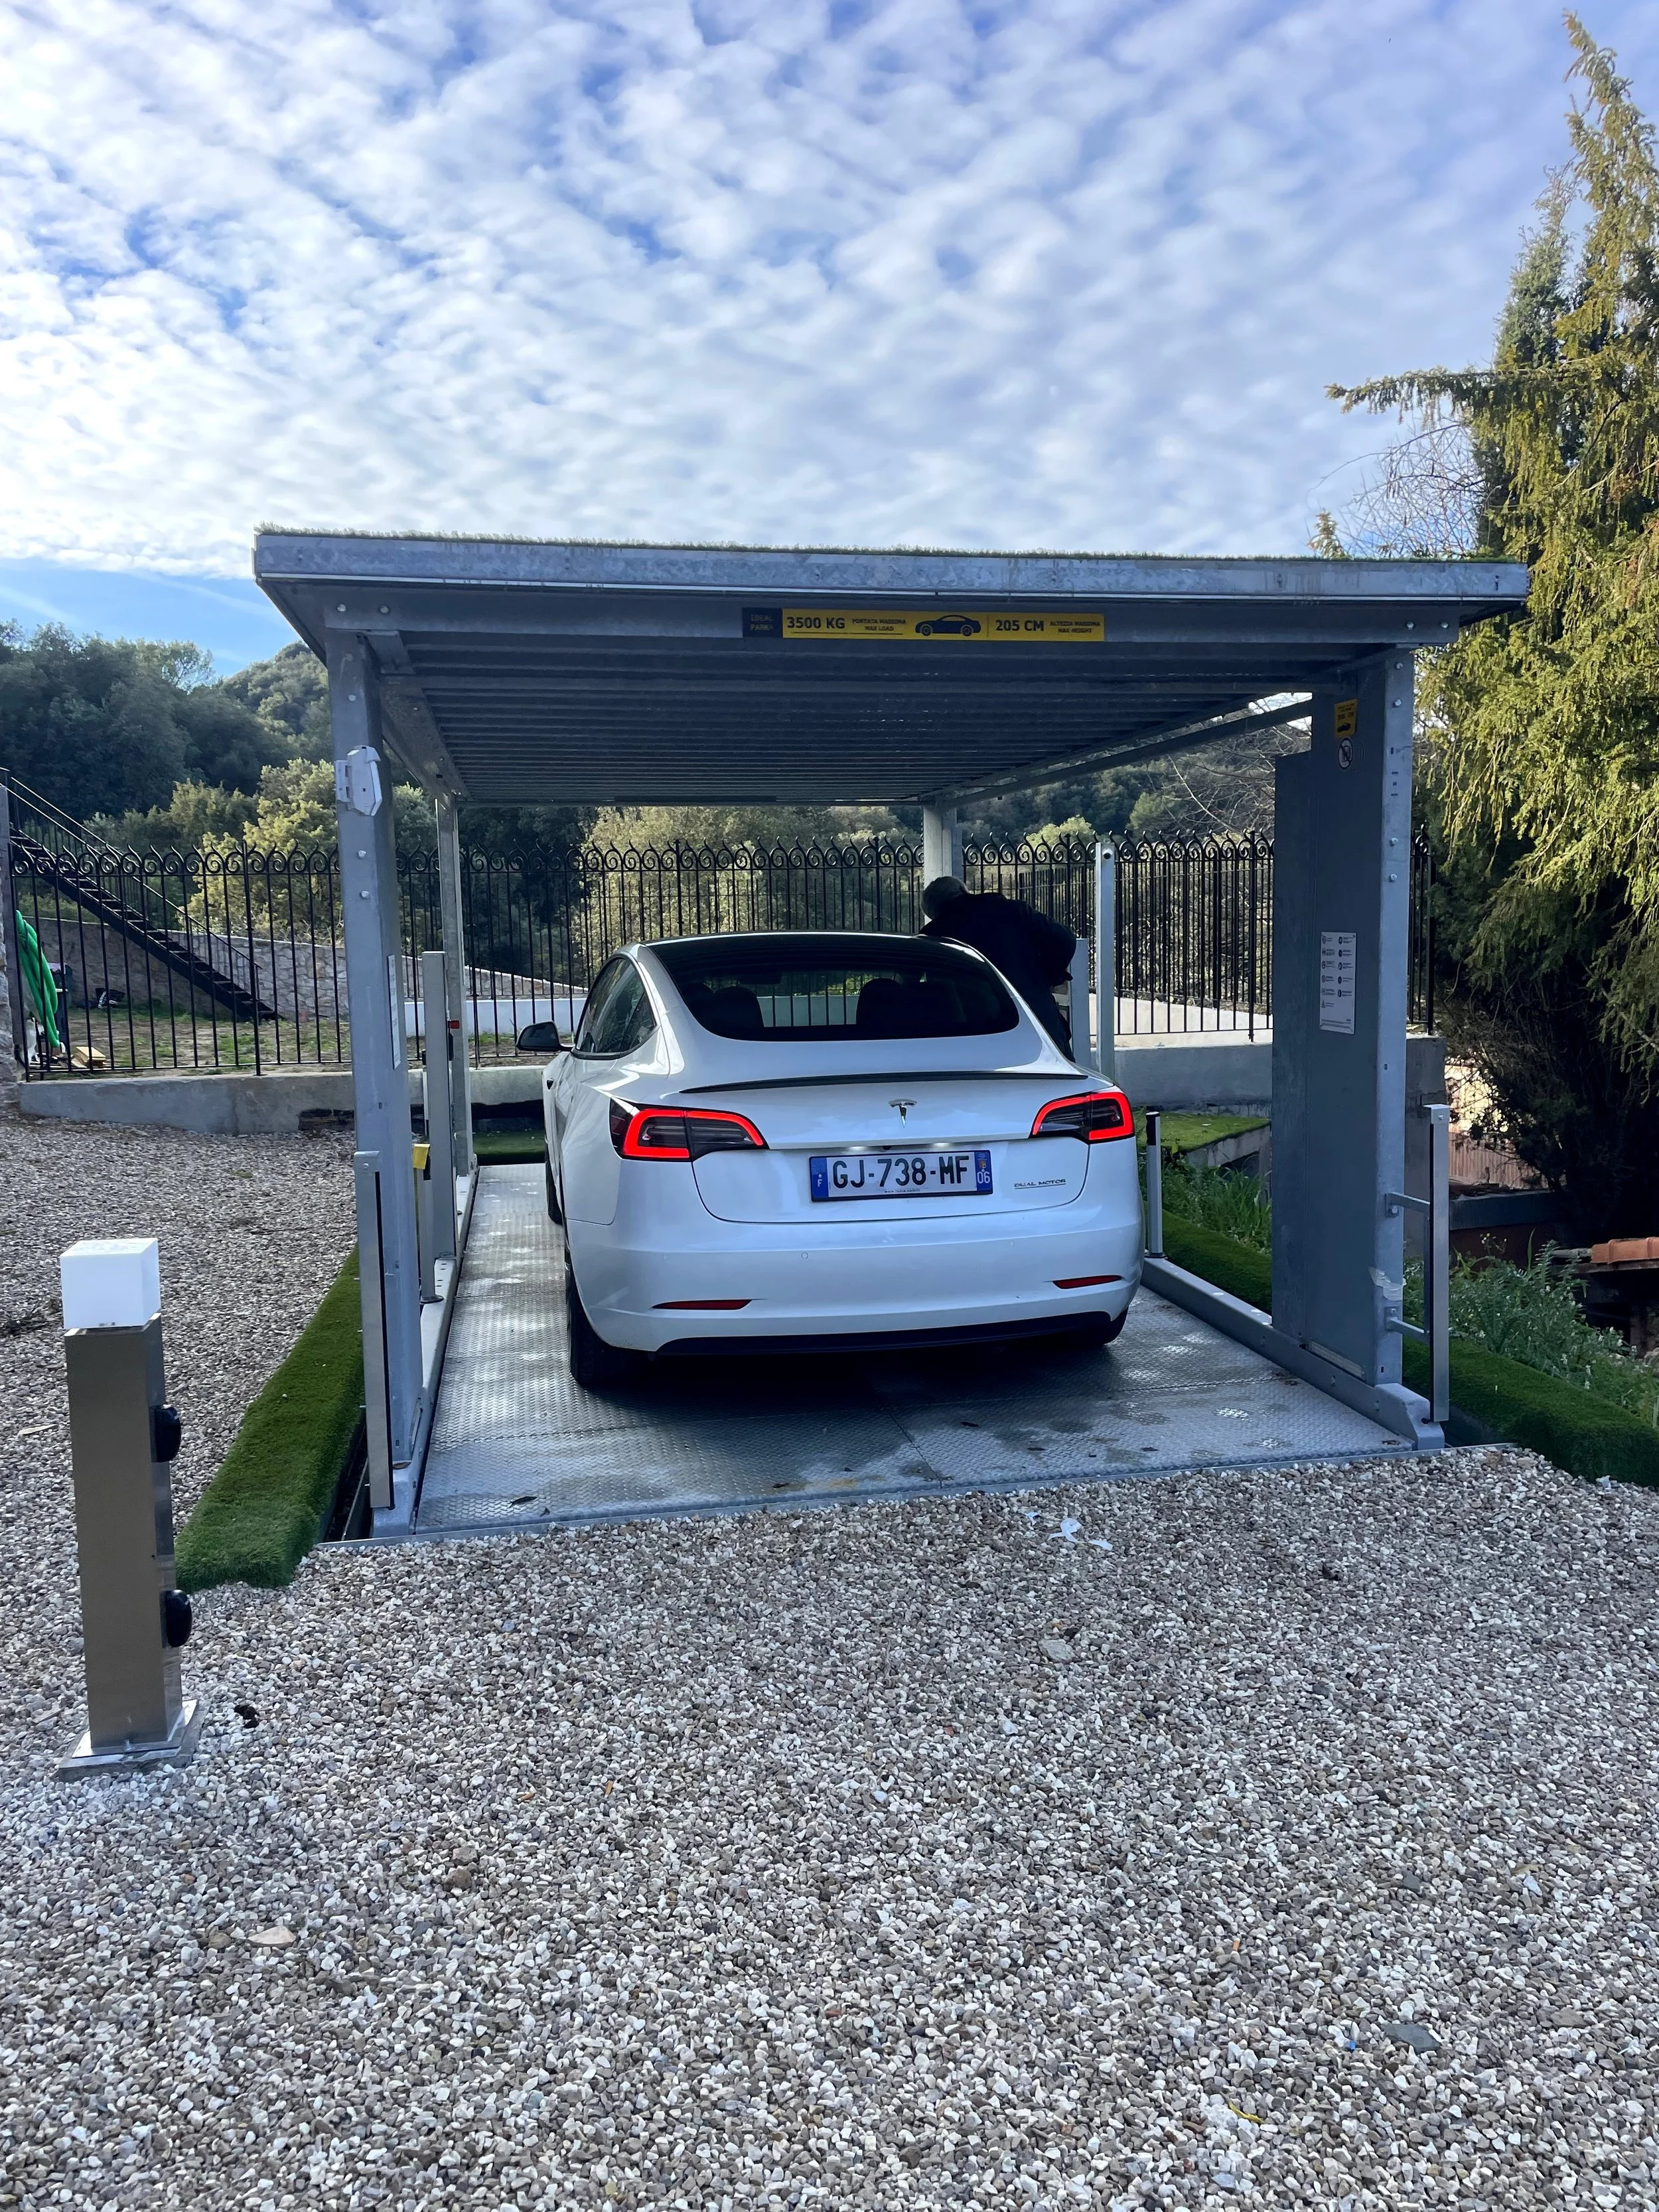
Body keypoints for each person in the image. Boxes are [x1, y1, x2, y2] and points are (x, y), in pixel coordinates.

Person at [920, 875, 1078, 1053]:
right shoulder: (1011, 910)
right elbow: (1065, 940)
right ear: (963, 891)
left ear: (935, 914)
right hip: (1037, 1021)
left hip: (973, 1036)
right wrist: (1045, 975)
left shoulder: (936, 937)